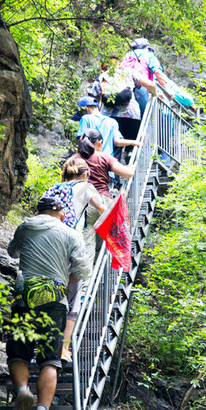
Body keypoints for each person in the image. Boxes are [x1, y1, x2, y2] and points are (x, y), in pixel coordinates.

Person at [4, 194, 90, 410]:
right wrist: (64, 277)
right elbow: (83, 270)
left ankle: (22, 392)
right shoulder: (71, 233)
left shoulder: (25, 227)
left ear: (37, 212)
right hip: (54, 300)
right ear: (62, 214)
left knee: (18, 354)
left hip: (24, 298)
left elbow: (13, 252)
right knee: (50, 360)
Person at [56, 155, 107, 362]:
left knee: (53, 295)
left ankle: (44, 342)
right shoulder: (86, 187)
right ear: (86, 174)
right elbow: (103, 209)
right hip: (69, 244)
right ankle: (63, 348)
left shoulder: (55, 188)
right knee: (74, 297)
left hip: (49, 244)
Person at [77, 129, 136, 264]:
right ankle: (99, 278)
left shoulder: (75, 159)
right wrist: (131, 168)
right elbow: (126, 173)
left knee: (86, 248)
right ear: (100, 143)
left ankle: (87, 282)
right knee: (102, 244)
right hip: (104, 204)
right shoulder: (103, 157)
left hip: (83, 206)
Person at [76, 97, 141, 158]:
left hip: (92, 158)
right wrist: (134, 142)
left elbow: (82, 140)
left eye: (80, 112)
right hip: (107, 161)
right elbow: (117, 142)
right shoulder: (112, 121)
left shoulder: (85, 118)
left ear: (86, 108)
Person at [121, 37, 170, 116]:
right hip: (141, 86)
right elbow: (157, 72)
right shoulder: (149, 55)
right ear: (146, 47)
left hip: (125, 87)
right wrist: (166, 91)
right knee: (146, 115)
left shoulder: (127, 56)